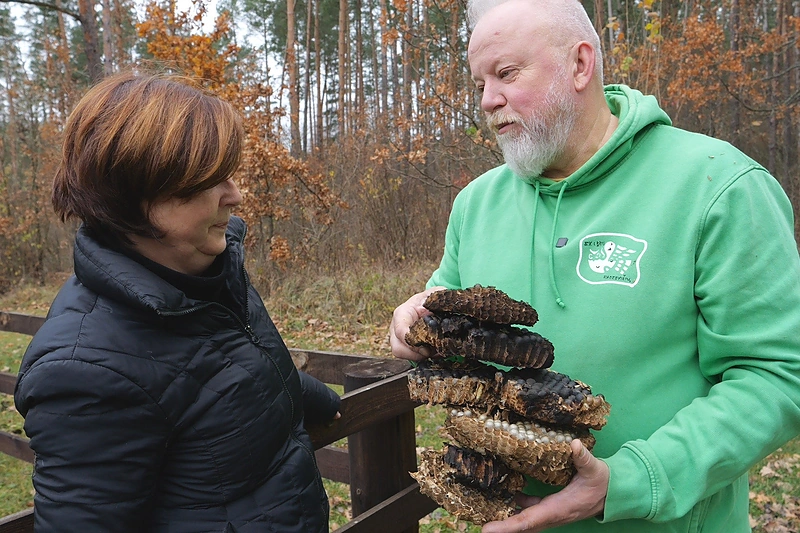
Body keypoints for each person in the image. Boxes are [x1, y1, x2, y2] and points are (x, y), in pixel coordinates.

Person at [389, 1, 800, 532]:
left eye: (506, 73)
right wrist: (412, 326)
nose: (488, 99)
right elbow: (446, 325)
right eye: (480, 83)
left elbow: (776, 375)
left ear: (580, 64)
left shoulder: (718, 185)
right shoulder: (476, 204)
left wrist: (632, 481)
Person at [14, 71, 341, 533]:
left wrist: (320, 400)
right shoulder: (84, 371)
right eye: (211, 180)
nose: (236, 195)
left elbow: (228, 369)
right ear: (136, 193)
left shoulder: (207, 276)